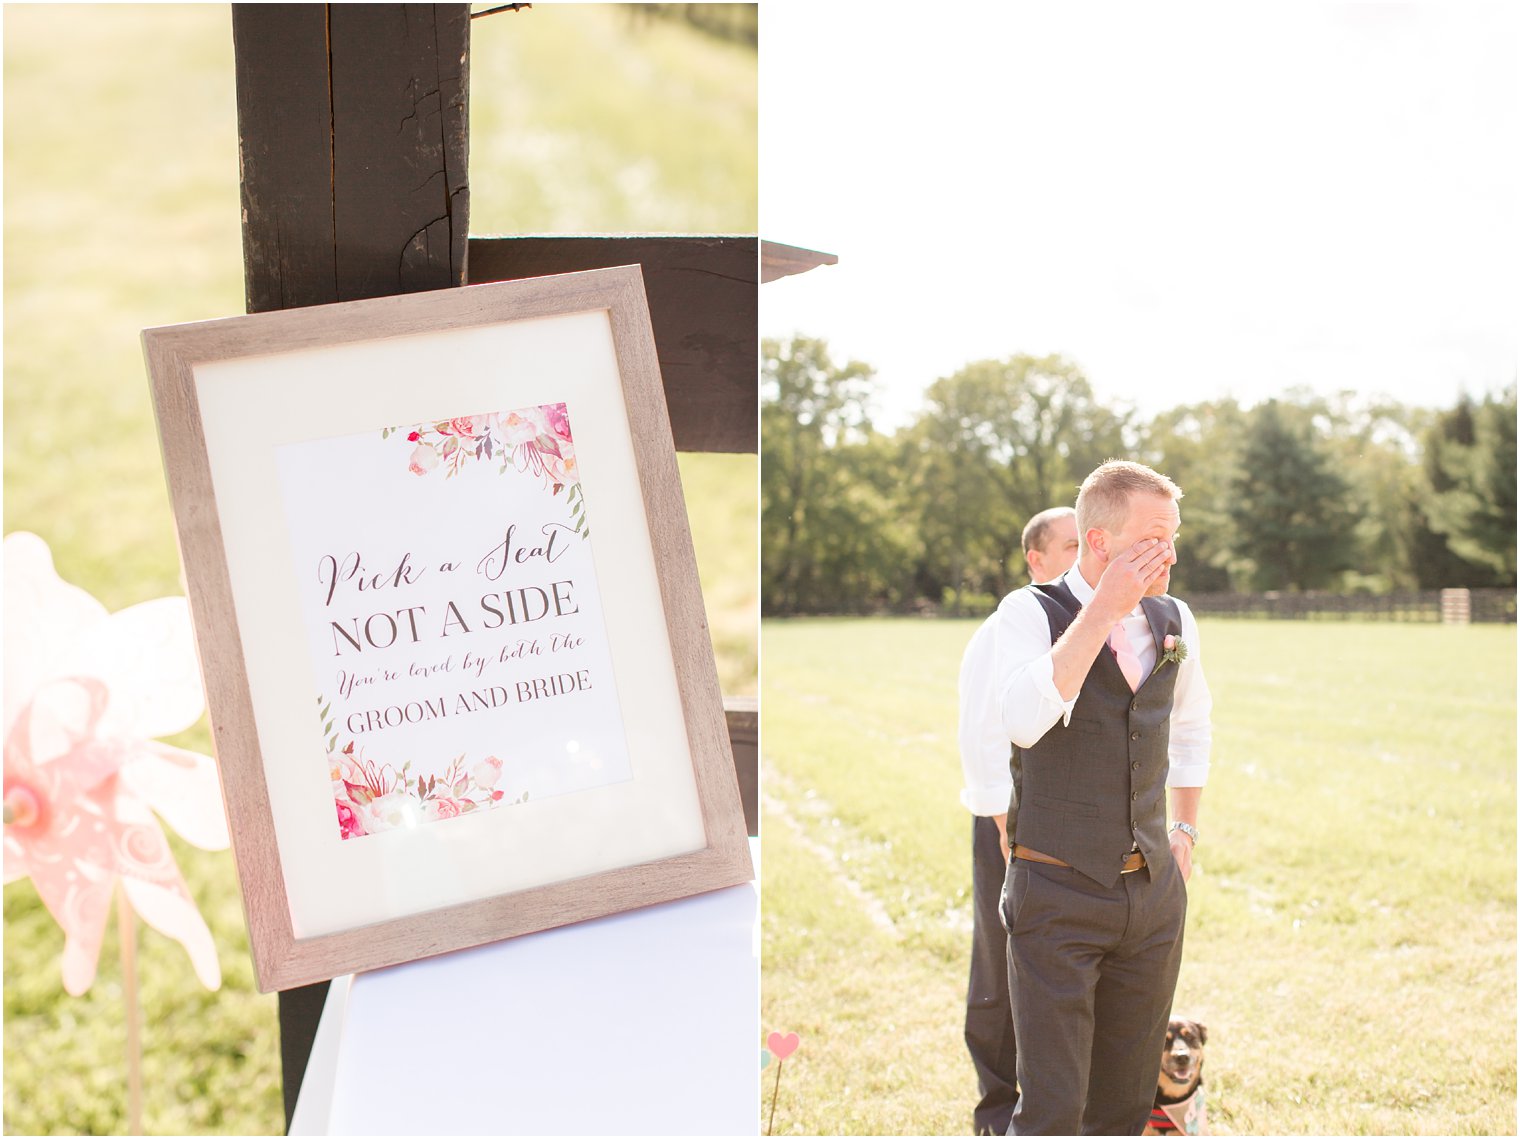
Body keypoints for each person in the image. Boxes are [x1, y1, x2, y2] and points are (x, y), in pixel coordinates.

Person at [993, 460, 1211, 1136]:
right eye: (1153, 535)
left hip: (1150, 900)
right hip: (1055, 895)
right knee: (1054, 1108)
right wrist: (1103, 611)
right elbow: (1025, 719)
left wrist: (1185, 831)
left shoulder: (1175, 619)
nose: (1170, 552)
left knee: (1122, 1106)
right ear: (1100, 542)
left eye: (1173, 536)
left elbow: (1192, 725)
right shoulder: (1026, 612)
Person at [957, 507, 1079, 1135]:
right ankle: (997, 1111)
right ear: (1037, 558)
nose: (1085, 556)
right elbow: (983, 726)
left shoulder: (1086, 625)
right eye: (1071, 546)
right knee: (1002, 960)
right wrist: (1004, 817)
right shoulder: (1012, 623)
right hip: (1008, 817)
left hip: (1073, 825)